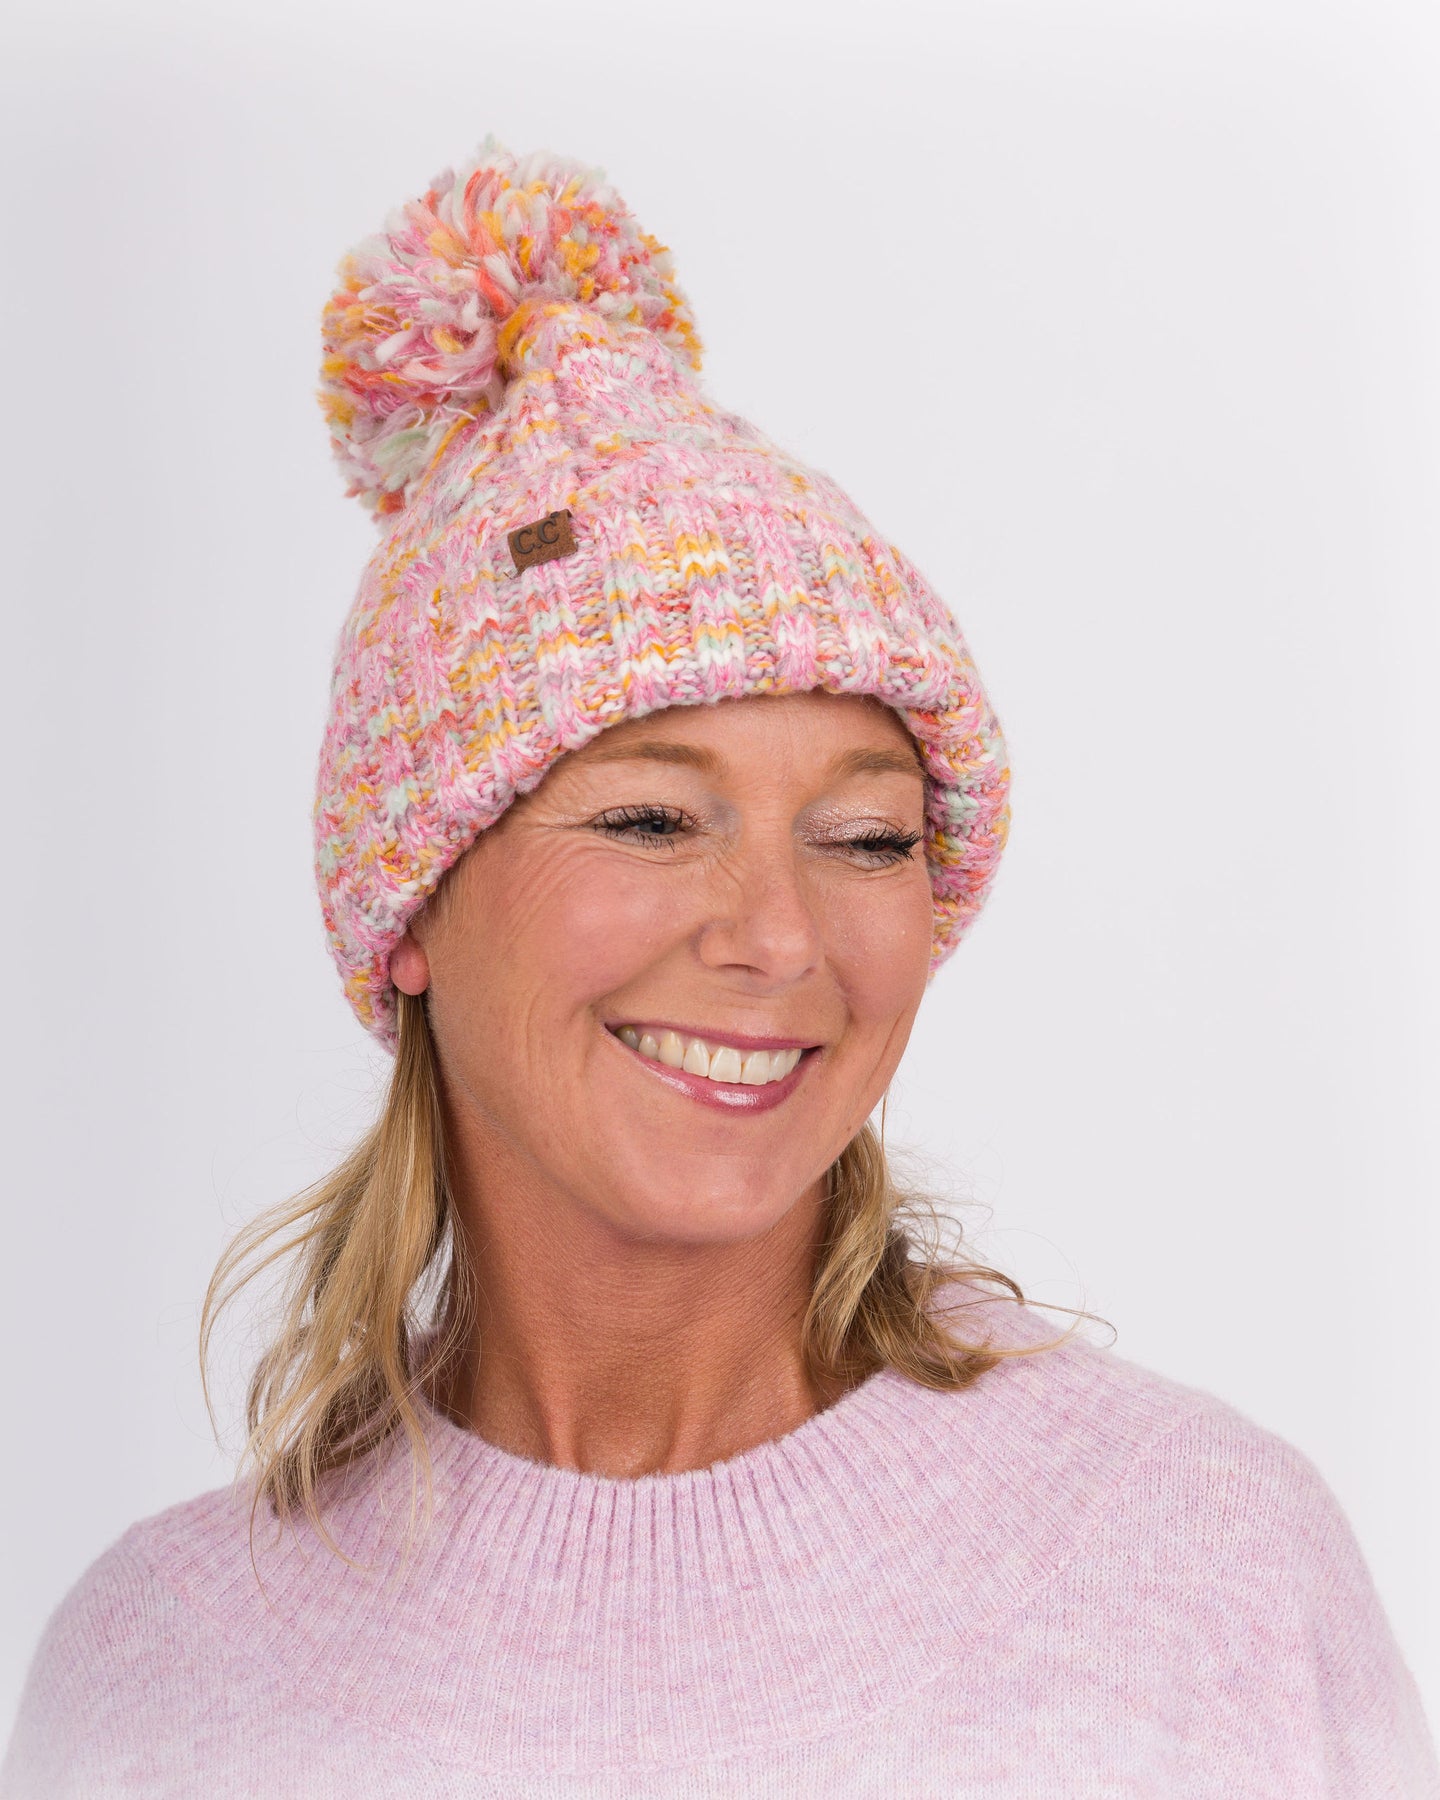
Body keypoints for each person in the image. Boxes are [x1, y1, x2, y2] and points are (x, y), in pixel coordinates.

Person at [3, 134, 1436, 1800]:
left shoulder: (1202, 1576)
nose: (777, 936)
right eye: (648, 821)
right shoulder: (166, 1672)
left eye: (866, 838)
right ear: (412, 910)